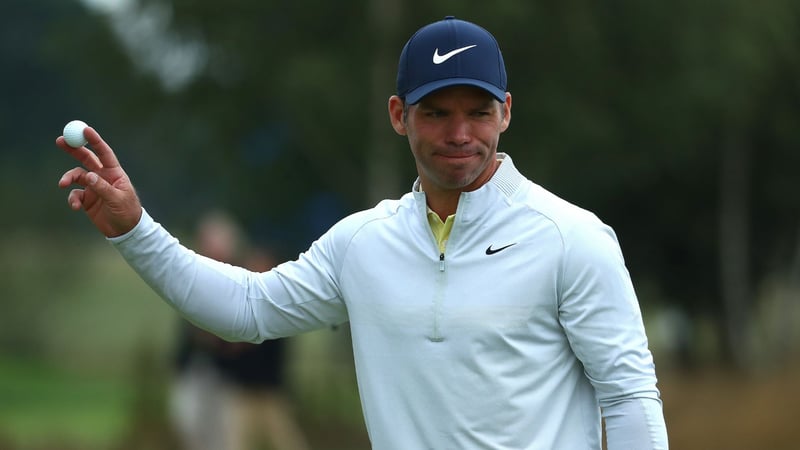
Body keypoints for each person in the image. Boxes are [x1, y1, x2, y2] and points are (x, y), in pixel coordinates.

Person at [56, 16, 668, 449]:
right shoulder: (362, 244)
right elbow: (243, 309)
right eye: (437, 112)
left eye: (477, 112)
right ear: (400, 115)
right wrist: (134, 230)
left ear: (505, 111)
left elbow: (629, 397)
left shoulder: (572, 238)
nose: (460, 134)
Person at [169, 211, 310, 450]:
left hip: (256, 386)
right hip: (218, 379)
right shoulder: (196, 278)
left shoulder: (247, 284)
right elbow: (190, 339)